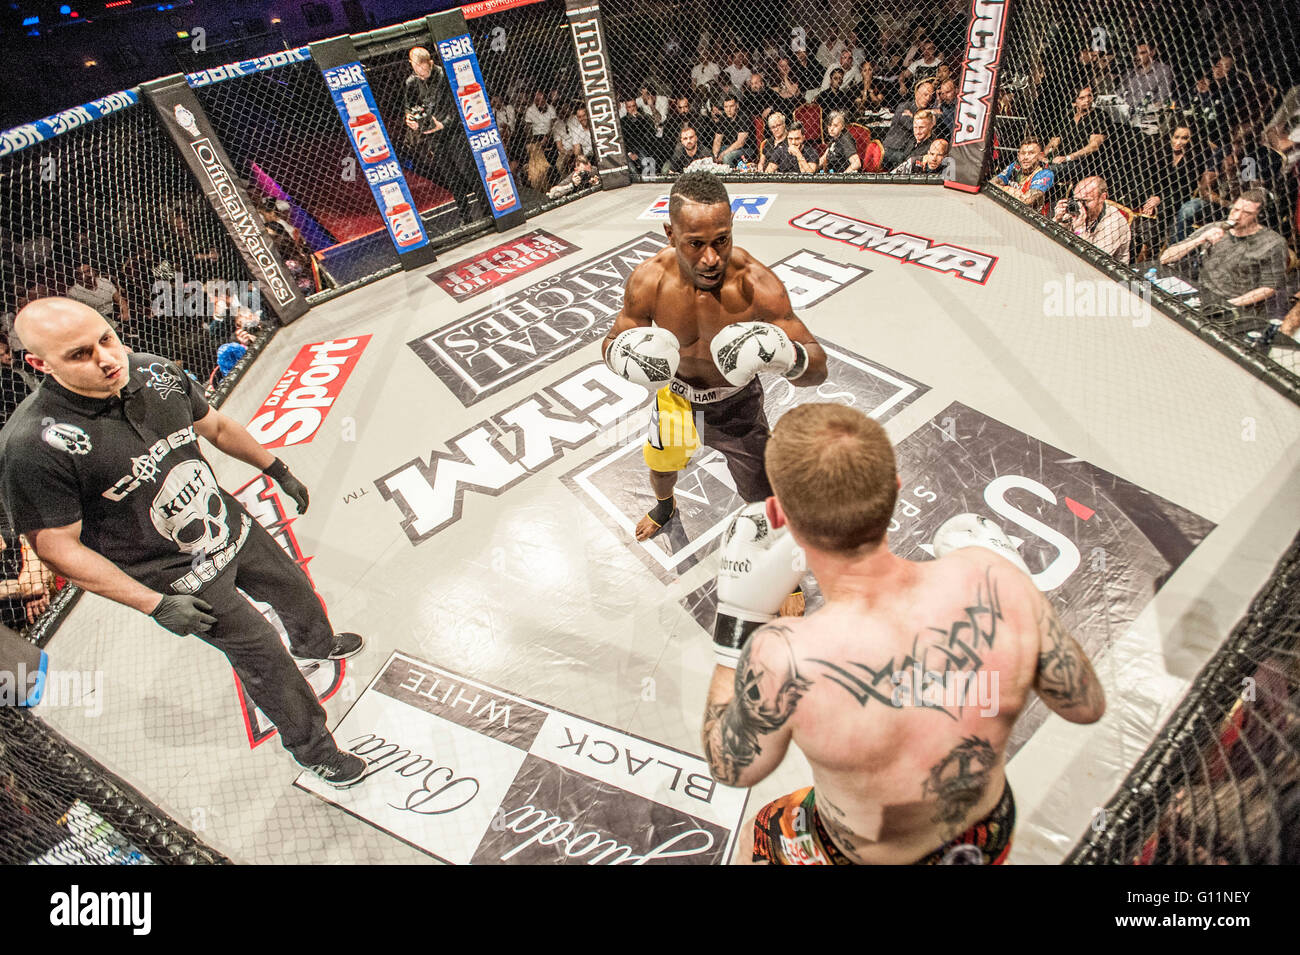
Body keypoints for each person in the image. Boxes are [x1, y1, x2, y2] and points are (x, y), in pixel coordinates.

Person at [701, 403, 1106, 865]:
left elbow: (731, 767)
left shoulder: (784, 655)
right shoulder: (996, 580)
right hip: (981, 839)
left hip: (857, 856)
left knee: (767, 825)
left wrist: (737, 620)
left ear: (777, 515)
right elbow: (1084, 705)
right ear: (894, 490)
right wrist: (1022, 595)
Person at [0, 298, 368, 787]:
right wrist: (155, 605)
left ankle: (318, 643)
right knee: (263, 656)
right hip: (175, 576)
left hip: (226, 525)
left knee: (293, 588)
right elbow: (56, 547)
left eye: (107, 338)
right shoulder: (31, 446)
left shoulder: (155, 373)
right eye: (80, 354)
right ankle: (314, 749)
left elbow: (213, 426)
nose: (108, 359)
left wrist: (276, 469)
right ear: (40, 364)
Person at [601, 172, 828, 548]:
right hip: (675, 399)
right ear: (670, 235)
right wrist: (622, 356)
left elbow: (818, 368)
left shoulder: (755, 284)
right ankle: (664, 508)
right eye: (695, 244)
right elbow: (612, 340)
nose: (711, 258)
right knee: (660, 469)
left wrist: (790, 358)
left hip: (737, 406)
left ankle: (780, 572)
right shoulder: (649, 281)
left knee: (763, 495)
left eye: (722, 240)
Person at [1159, 191, 1287, 310]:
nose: (1237, 216)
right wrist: (1199, 240)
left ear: (1260, 217)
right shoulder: (1214, 227)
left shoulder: (1273, 243)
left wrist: (1228, 305)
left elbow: (1269, 287)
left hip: (1235, 302)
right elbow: (1165, 258)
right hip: (1201, 293)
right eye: (1236, 209)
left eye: (1246, 213)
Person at [403, 46, 485, 225]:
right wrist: (410, 119)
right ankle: (466, 217)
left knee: (469, 172)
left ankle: (487, 210)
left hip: (453, 130)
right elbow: (408, 107)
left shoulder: (443, 77)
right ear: (413, 66)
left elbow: (458, 105)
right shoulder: (411, 83)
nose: (423, 75)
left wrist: (443, 124)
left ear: (430, 63)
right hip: (433, 135)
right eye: (419, 71)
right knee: (451, 178)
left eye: (426, 71)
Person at [1052, 175, 1132, 264]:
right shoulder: (1076, 208)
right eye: (1077, 199)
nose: (1080, 205)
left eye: (1086, 201)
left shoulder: (1115, 222)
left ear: (1102, 198)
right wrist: (1058, 220)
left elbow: (1094, 260)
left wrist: (1080, 229)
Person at [990, 140, 1055, 209]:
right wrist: (1011, 190)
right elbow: (992, 183)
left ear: (1040, 156)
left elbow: (1026, 200)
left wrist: (1002, 188)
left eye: (1031, 153)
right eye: (1023, 153)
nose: (1025, 157)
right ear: (1018, 156)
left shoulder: (1045, 174)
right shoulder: (1015, 166)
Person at [711, 95, 755, 167]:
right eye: (726, 107)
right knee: (713, 154)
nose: (728, 110)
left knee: (726, 157)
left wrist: (723, 153)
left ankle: (730, 176)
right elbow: (717, 140)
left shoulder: (743, 116)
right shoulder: (724, 117)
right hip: (731, 146)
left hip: (747, 149)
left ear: (737, 106)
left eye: (731, 106)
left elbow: (740, 143)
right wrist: (715, 156)